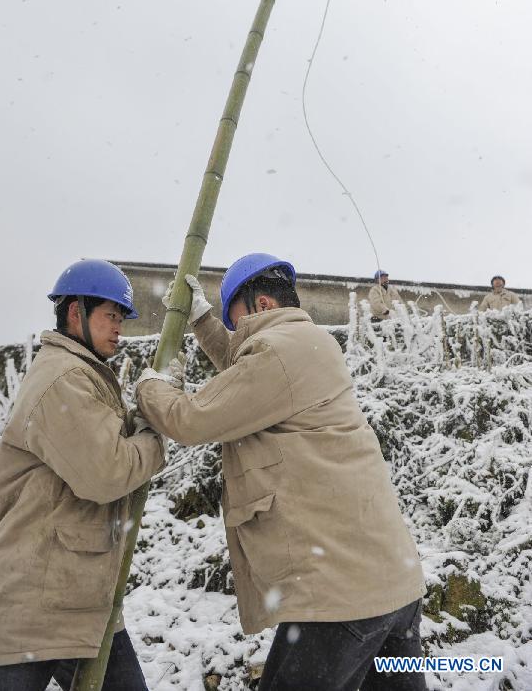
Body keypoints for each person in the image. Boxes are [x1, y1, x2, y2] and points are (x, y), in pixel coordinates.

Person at [137, 253, 427, 690]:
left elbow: (190, 419)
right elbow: (246, 369)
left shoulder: (276, 353)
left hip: (340, 601)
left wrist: (152, 386)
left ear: (264, 306)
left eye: (234, 320)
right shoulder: (307, 344)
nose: (232, 331)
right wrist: (203, 321)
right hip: (394, 593)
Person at [0, 259, 168, 691]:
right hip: (33, 605)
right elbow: (106, 472)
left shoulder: (84, 374)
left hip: (77, 601)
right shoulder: (63, 378)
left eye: (122, 318)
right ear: (76, 313)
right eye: (111, 316)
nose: (120, 328)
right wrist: (155, 439)